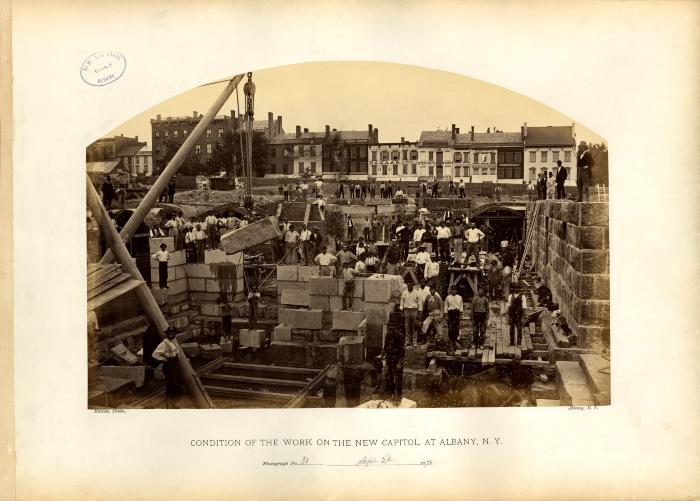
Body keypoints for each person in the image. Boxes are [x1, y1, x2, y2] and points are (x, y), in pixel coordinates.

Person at [152, 327, 183, 408]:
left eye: (173, 334)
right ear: (167, 334)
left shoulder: (174, 341)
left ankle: (175, 401)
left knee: (176, 382)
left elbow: (176, 351)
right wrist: (164, 359)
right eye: (170, 334)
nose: (171, 335)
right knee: (171, 384)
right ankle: (170, 403)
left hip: (175, 363)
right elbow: (155, 354)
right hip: (169, 365)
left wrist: (177, 356)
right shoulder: (164, 343)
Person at [400, 282, 422, 346]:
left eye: (411, 285)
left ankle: (414, 341)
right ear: (407, 285)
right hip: (406, 310)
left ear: (413, 285)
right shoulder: (404, 293)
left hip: (414, 310)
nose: (410, 286)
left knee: (414, 326)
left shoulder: (417, 293)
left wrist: (419, 313)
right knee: (407, 326)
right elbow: (402, 303)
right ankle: (407, 341)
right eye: (409, 285)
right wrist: (402, 311)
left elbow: (419, 303)